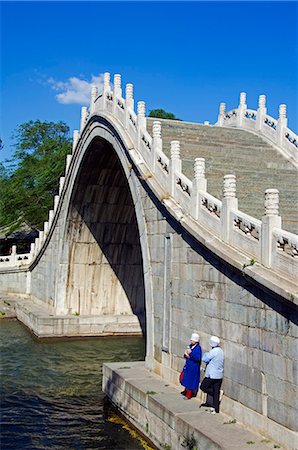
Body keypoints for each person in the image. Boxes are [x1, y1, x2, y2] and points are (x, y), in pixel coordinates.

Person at [200, 336, 224, 414]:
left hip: (212, 375)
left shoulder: (213, 351)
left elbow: (205, 359)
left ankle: (216, 393)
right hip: (219, 375)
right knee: (216, 390)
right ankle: (215, 408)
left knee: (203, 387)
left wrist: (206, 353)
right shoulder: (221, 351)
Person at [180, 332, 202, 400]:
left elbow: (197, 358)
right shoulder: (190, 346)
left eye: (192, 340)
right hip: (188, 366)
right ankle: (186, 390)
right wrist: (186, 355)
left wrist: (190, 354)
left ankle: (189, 394)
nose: (191, 341)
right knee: (183, 377)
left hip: (193, 367)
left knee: (190, 381)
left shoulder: (198, 348)